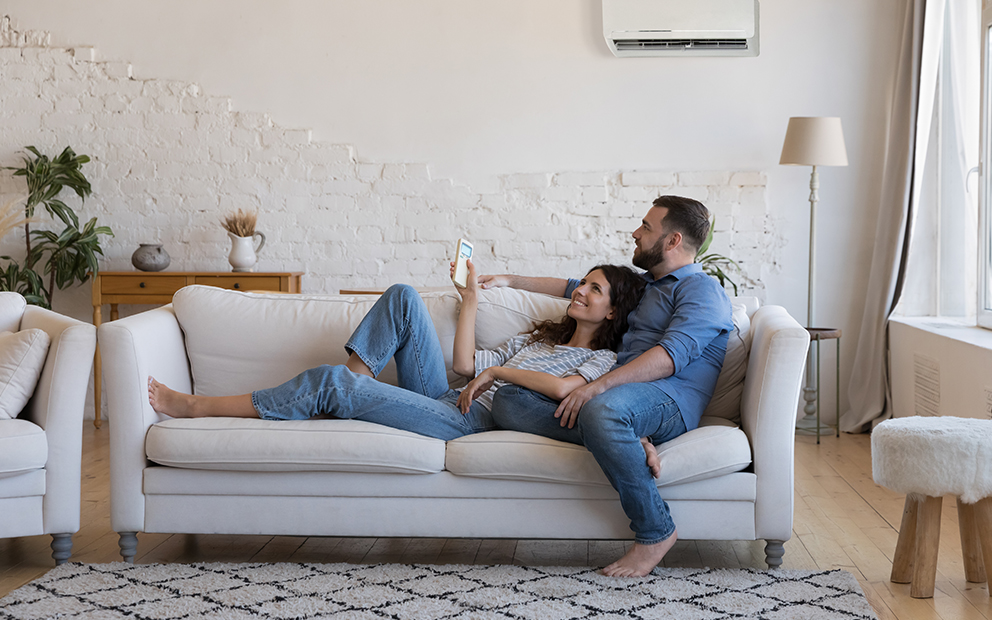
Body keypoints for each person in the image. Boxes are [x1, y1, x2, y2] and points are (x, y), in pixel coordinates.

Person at [480, 195, 734, 578]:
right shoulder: (645, 285)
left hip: (670, 398)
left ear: (673, 240)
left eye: (646, 227)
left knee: (603, 410)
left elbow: (670, 357)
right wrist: (508, 280)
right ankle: (627, 438)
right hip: (623, 398)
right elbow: (572, 287)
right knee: (510, 399)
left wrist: (597, 388)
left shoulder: (701, 289)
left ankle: (656, 531)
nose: (635, 232)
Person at [148, 261, 646, 443]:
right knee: (404, 296)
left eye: (594, 290)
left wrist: (502, 375)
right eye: (583, 284)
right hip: (449, 396)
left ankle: (197, 406)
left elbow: (562, 389)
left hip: (473, 420)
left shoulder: (602, 361)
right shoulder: (541, 338)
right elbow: (465, 367)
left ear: (612, 313)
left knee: (329, 382)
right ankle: (351, 386)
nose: (580, 292)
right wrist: (471, 300)